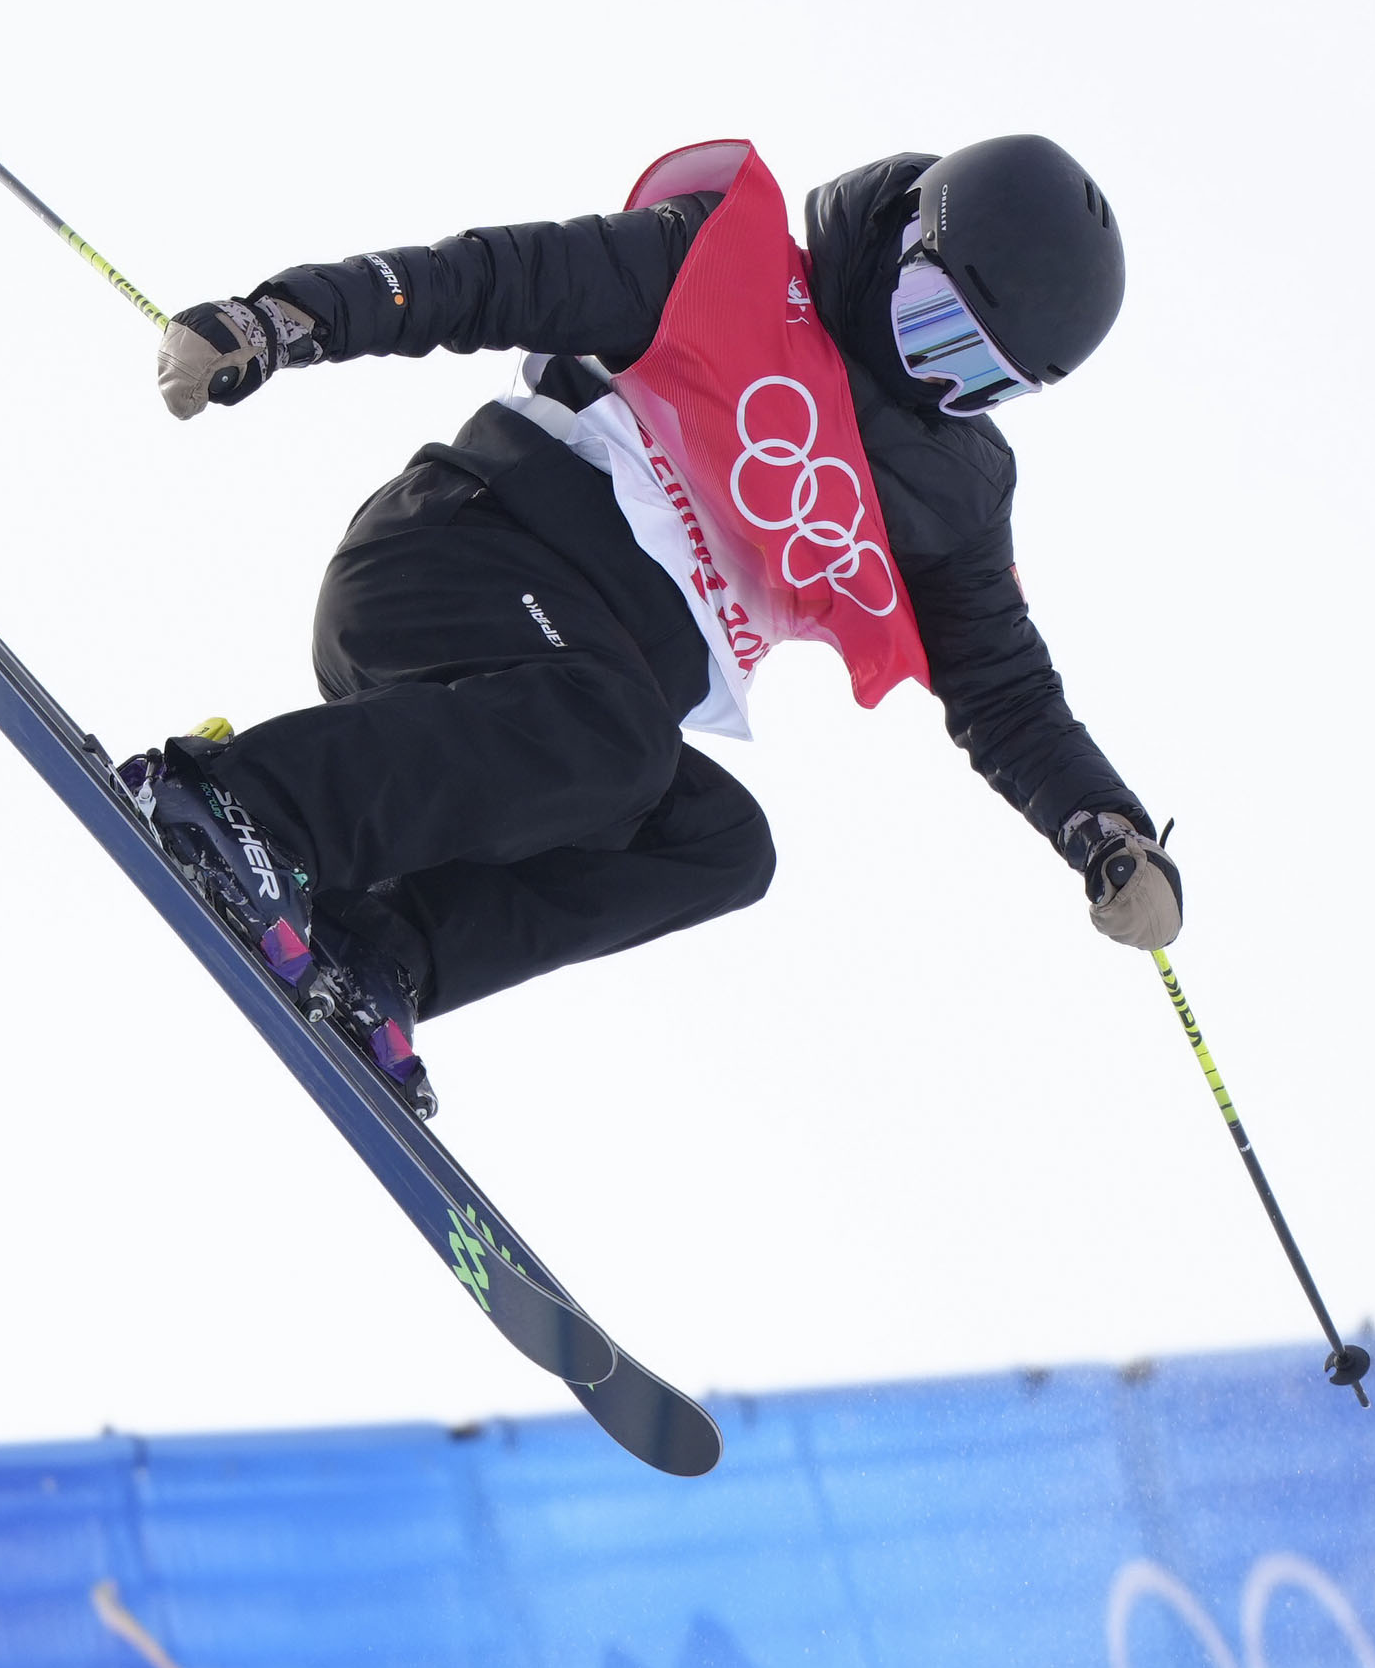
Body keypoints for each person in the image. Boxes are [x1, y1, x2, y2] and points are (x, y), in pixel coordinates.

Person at [121, 135, 1178, 1115]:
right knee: (616, 734)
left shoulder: (952, 489)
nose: (928, 374)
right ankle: (236, 801)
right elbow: (484, 278)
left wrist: (1106, 827)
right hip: (450, 565)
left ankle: (376, 950)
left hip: (552, 707)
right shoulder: (719, 267)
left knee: (718, 843)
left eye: (977, 377)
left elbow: (1002, 685)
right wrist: (286, 320)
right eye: (930, 321)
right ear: (904, 236)